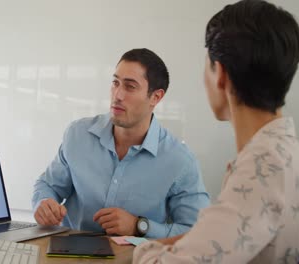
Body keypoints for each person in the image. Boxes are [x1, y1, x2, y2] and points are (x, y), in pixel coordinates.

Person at [133, 0, 299, 262]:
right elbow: (216, 239)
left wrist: (141, 250)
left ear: (220, 73)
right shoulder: (290, 151)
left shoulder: (263, 165)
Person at [32, 48, 209, 238]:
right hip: (67, 252)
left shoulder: (180, 160)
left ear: (155, 97)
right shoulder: (78, 135)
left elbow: (198, 232)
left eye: (130, 87)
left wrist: (139, 226)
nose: (117, 95)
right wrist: (44, 202)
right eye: (115, 83)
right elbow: (47, 185)